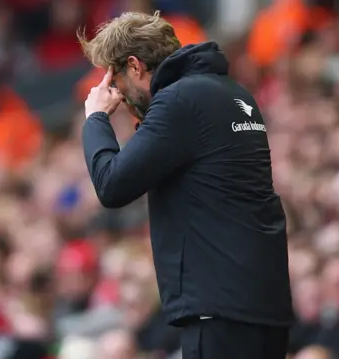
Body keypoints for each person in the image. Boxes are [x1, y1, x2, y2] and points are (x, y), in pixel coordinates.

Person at [79, 11, 294, 359]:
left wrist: (96, 119)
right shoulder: (231, 92)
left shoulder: (179, 101)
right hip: (264, 304)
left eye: (115, 81)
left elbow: (111, 185)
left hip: (220, 309)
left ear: (134, 66)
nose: (118, 94)